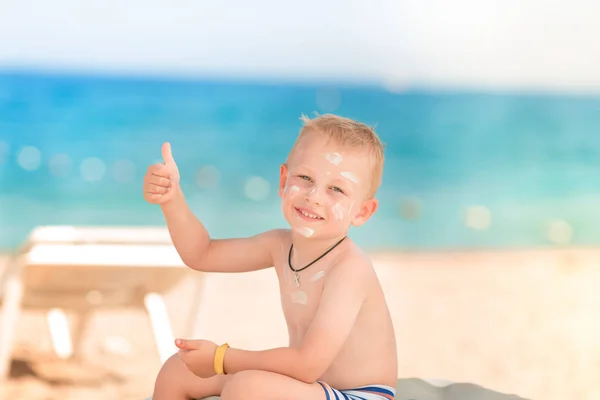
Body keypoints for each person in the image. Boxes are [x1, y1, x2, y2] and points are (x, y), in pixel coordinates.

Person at [143, 114, 398, 400]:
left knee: (247, 387)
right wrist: (172, 200)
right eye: (305, 178)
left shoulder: (349, 269)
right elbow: (202, 254)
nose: (314, 196)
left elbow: (307, 364)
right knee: (178, 370)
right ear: (283, 180)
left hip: (360, 395)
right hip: (311, 387)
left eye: (336, 189)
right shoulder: (279, 245)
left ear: (362, 211)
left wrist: (220, 359)